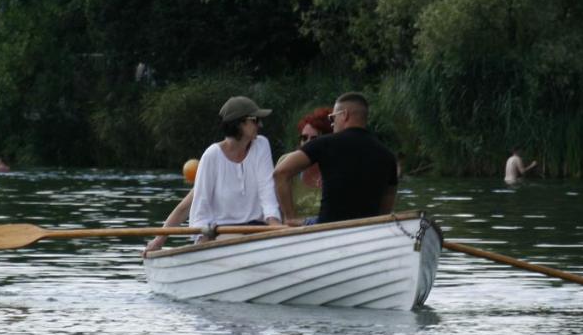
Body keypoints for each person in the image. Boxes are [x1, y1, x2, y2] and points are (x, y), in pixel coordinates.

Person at [144, 95, 282, 253]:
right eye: (256, 120)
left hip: (258, 228)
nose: (261, 124)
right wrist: (159, 240)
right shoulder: (211, 156)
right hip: (221, 232)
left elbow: (267, 190)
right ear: (240, 123)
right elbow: (197, 206)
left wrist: (274, 222)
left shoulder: (262, 145)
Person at [273, 92, 397, 225]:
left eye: (332, 118)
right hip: (368, 228)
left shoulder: (324, 144)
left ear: (344, 115)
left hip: (327, 227)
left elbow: (280, 172)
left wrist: (289, 218)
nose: (332, 124)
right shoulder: (388, 155)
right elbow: (389, 196)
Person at [279, 107, 334, 216]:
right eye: (304, 138)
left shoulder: (338, 167)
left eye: (314, 139)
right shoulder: (286, 165)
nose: (308, 143)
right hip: (295, 230)